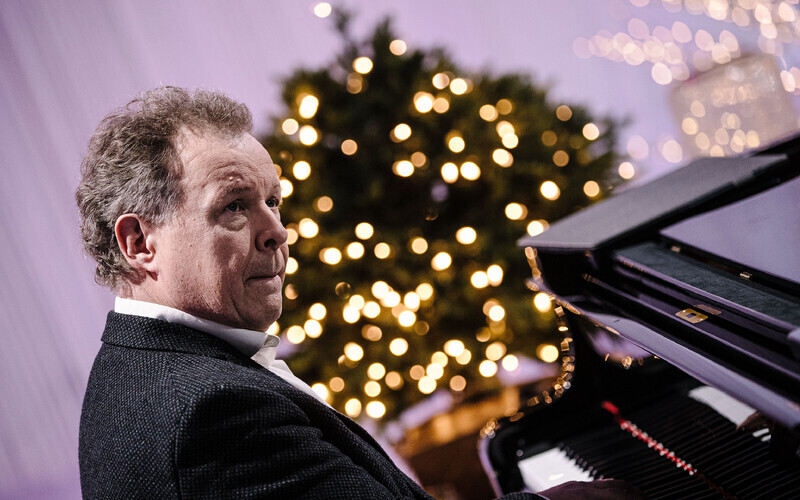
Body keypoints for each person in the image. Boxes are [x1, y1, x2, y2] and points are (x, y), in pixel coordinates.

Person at [77, 86, 645, 499]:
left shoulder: (142, 369)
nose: (278, 231)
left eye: (273, 202)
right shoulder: (212, 414)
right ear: (139, 242)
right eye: (233, 206)